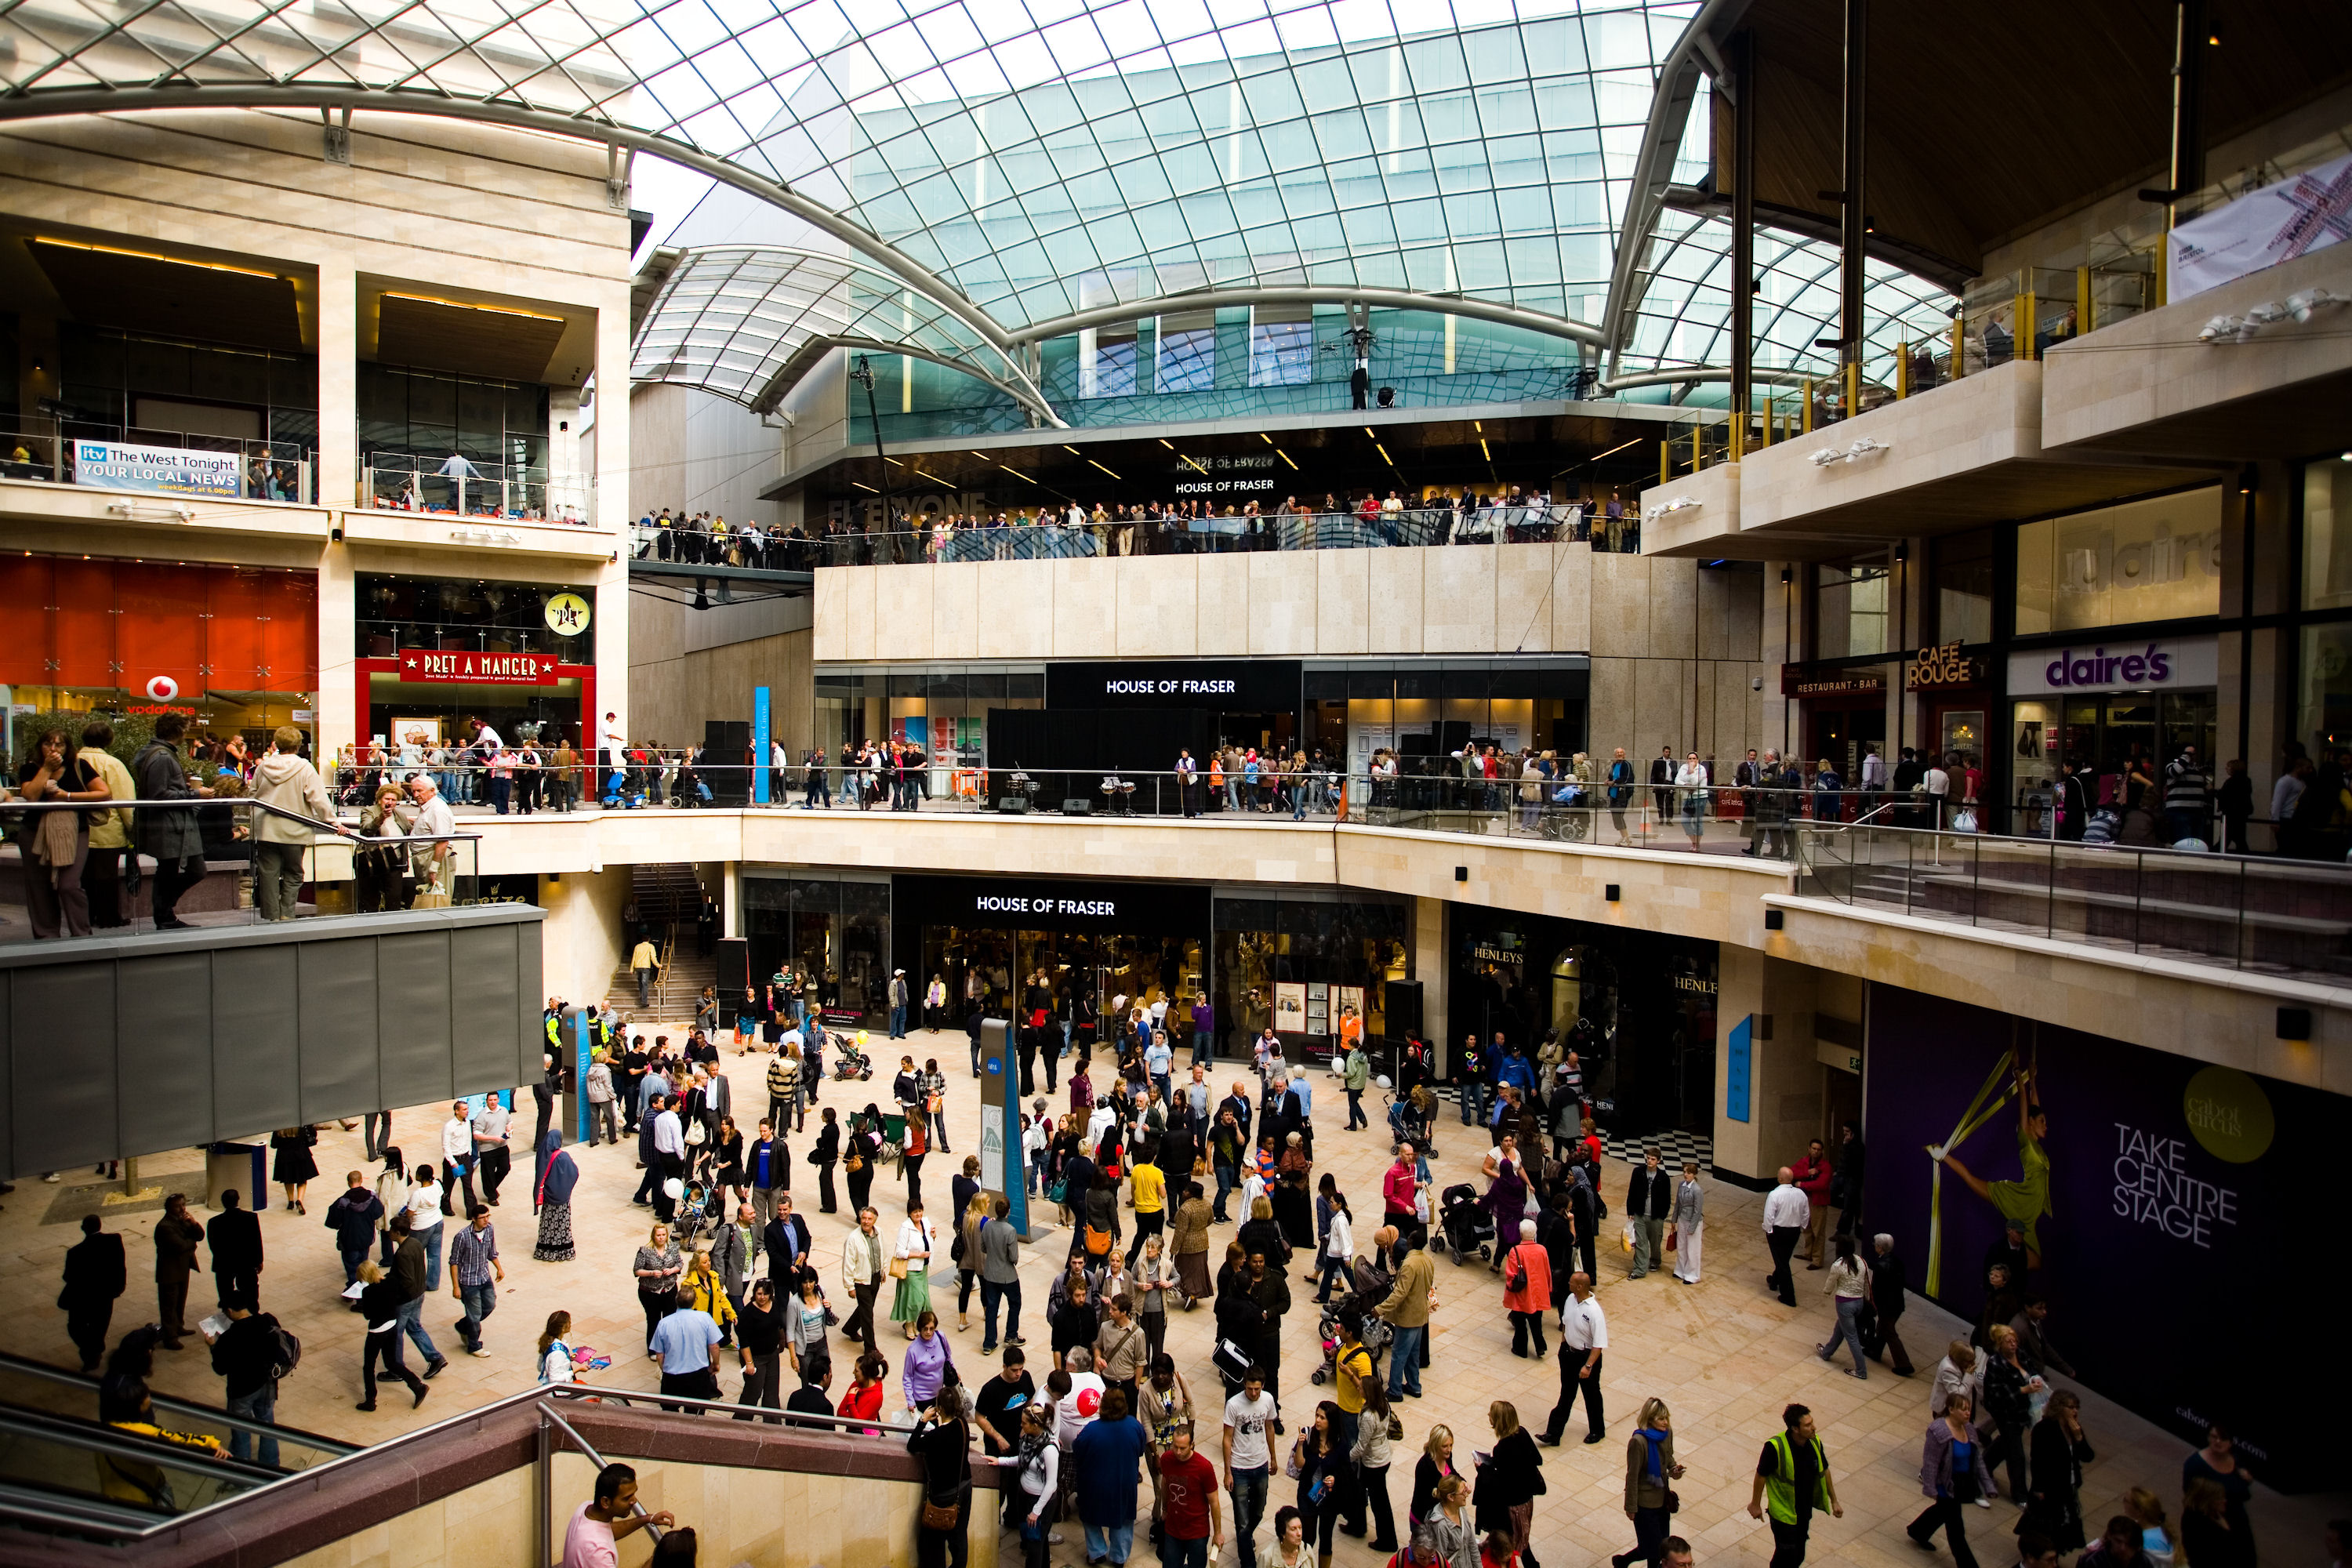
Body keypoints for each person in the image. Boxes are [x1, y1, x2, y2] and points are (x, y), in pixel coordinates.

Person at [1749, 1403, 1840, 1568]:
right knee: (1786, 1554)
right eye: (1807, 1425)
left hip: (1803, 1511)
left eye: (1812, 1422)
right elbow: (1761, 1475)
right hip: (1783, 1513)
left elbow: (1824, 1470)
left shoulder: (1814, 1443)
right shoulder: (1775, 1447)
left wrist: (1834, 1500)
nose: (1814, 1427)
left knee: (1798, 1555)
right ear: (1795, 1429)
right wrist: (1755, 1504)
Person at [1075, 1385, 1153, 1568]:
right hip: (1124, 1482)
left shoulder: (1091, 1430)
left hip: (1095, 1485)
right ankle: (1119, 1558)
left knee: (1091, 1517)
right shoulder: (1135, 1426)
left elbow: (1078, 1452)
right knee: (1123, 1519)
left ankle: (1096, 1553)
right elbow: (1141, 1450)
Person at [205, 1294, 285, 1466]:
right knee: (268, 1427)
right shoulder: (267, 1320)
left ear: (230, 1311)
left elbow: (220, 1368)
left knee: (241, 1431)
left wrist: (213, 1345)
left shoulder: (230, 1337)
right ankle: (271, 1467)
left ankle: (242, 1473)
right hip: (267, 1384)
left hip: (242, 1389)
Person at [1909, 1393, 1987, 1568]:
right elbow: (1930, 1461)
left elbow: (1975, 1458)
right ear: (1951, 1409)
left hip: (1959, 1483)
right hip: (1946, 1485)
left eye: (1969, 1409)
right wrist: (1930, 1487)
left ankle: (1918, 1531)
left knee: (1941, 1512)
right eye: (1963, 1409)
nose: (1968, 1413)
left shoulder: (1967, 1430)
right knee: (1956, 1529)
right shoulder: (1939, 1430)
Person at [908, 1381, 975, 1568]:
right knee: (960, 1536)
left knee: (931, 1541)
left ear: (939, 1409)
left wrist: (923, 1421)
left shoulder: (935, 1437)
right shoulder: (962, 1425)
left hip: (943, 1496)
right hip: (964, 1486)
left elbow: (912, 1446)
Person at [1610, 1398, 1685, 1568]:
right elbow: (1632, 1476)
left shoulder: (1667, 1433)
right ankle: (1622, 1561)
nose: (1666, 1422)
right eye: (1661, 1419)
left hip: (1662, 1501)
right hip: (1645, 1505)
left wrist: (1674, 1470)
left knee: (1659, 1548)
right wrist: (1630, 1507)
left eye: (1667, 1418)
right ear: (1650, 1419)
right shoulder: (1638, 1442)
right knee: (1653, 1551)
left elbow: (1669, 1456)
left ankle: (1622, 1561)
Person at [1472, 1402, 1545, 1568]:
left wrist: (1482, 1468)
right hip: (1527, 1500)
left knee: (1518, 1542)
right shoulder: (1522, 1432)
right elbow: (1536, 1459)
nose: (1489, 1416)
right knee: (1521, 1538)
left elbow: (1500, 1483)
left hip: (1514, 1505)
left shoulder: (1503, 1448)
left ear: (1499, 1420)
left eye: (1491, 1414)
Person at [560, 1462, 673, 1568]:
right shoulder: (597, 1554)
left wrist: (648, 1518)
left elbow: (607, 1531)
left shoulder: (586, 1509)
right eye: (627, 1498)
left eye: (634, 1494)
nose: (634, 1501)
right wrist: (658, 1558)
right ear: (605, 1502)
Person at [1537, 1272, 1605, 1446]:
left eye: (1572, 1282)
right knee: (1567, 1393)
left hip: (1586, 1356)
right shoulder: (1570, 1300)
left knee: (1591, 1395)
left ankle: (1597, 1430)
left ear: (1580, 1287)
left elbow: (1598, 1344)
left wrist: (1588, 1366)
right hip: (1568, 1353)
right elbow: (1566, 1323)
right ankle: (1553, 1433)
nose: (1568, 1283)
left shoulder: (1594, 1311)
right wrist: (1563, 1345)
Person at [2020, 1392, 2093, 1551]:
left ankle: (2051, 1555)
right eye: (2071, 1407)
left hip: (2068, 1486)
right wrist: (2039, 1487)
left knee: (2062, 1526)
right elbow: (2037, 1460)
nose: (2075, 1411)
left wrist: (2079, 1437)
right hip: (2049, 1487)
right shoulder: (2044, 1428)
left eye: (2077, 1407)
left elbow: (2088, 1456)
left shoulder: (2074, 1429)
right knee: (2046, 1526)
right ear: (2059, 1407)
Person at [1224, 1365, 1279, 1568]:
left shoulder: (1268, 1400)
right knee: (1243, 1521)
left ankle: (1244, 1538)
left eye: (1257, 1389)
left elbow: (1270, 1427)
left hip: (1260, 1465)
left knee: (1258, 1511)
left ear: (1262, 1386)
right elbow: (1227, 1439)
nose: (1253, 1393)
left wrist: (1273, 1457)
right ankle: (1248, 1561)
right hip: (1239, 1468)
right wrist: (1227, 1471)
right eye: (1249, 1389)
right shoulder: (1233, 1404)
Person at [354, 1262, 428, 1412]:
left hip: (377, 1331)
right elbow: (402, 1296)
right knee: (391, 1362)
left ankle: (370, 1400)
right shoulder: (392, 1282)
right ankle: (417, 1385)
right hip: (392, 1325)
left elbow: (368, 1315)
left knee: (369, 1366)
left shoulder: (368, 1291)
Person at [59, 1214, 127, 1373]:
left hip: (83, 1298)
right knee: (99, 1326)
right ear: (100, 1225)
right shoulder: (114, 1240)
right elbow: (120, 1266)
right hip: (105, 1295)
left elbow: (68, 1276)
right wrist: (119, 1287)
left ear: (83, 1229)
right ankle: (94, 1352)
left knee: (76, 1326)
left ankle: (92, 1354)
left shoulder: (75, 1253)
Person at [1374, 1228, 1434, 1400]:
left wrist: (1379, 1309)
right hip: (1421, 1314)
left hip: (1408, 1317)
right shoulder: (1428, 1260)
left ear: (1412, 1242)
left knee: (1399, 1354)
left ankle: (1394, 1390)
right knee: (1413, 1355)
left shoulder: (1409, 1264)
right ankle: (1414, 1386)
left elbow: (1399, 1293)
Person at [2180, 1425, 2256, 1557]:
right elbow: (2191, 1496)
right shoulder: (2194, 1464)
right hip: (2209, 1520)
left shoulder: (2236, 1460)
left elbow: (2242, 1492)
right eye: (2214, 1437)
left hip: (2237, 1519)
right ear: (2208, 1438)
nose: (2218, 1441)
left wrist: (2248, 1480)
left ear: (2231, 1442)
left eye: (2223, 1438)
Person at [1161, 1422, 1225, 1568]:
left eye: (1182, 1448)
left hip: (1197, 1531)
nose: (1178, 1452)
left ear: (1192, 1445)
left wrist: (1218, 1533)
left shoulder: (1204, 1467)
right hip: (1173, 1528)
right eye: (1175, 1447)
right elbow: (1165, 1484)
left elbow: (1214, 1502)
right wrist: (1164, 1509)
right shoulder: (1166, 1459)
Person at [649, 1289, 723, 1406]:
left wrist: (664, 1370)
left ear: (676, 1301)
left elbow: (660, 1355)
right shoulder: (705, 1318)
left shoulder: (664, 1323)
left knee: (670, 1413)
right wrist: (716, 1364)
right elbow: (714, 1346)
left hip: (672, 1377)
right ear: (694, 1301)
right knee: (695, 1414)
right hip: (697, 1376)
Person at [153, 1192, 205, 1349]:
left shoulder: (183, 1220)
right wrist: (192, 1243)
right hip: (170, 1272)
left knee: (180, 1301)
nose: (182, 1208)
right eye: (178, 1206)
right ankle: (170, 1337)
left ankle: (178, 1326)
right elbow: (181, 1245)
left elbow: (200, 1235)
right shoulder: (165, 1226)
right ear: (169, 1208)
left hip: (182, 1268)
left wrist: (194, 1223)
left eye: (184, 1204)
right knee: (169, 1305)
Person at [449, 1203, 502, 1358]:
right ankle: (474, 1345)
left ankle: (462, 1326)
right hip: (468, 1281)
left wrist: (499, 1268)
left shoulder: (490, 1229)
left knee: (489, 1305)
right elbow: (454, 1262)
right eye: (482, 1218)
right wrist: (456, 1287)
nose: (486, 1220)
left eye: (488, 1216)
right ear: (473, 1219)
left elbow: (491, 1252)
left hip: (484, 1277)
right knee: (474, 1315)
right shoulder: (462, 1236)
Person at [1814, 1233, 1869, 1378]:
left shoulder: (1838, 1265)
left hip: (1845, 1304)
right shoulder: (1861, 1261)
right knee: (1840, 1328)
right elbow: (1866, 1283)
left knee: (1852, 1337)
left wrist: (1826, 1291)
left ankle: (1861, 1371)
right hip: (1859, 1303)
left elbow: (1829, 1287)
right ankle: (1826, 1352)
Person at [1500, 1219, 1551, 1358]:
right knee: (1537, 1322)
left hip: (1522, 1292)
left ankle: (1520, 1349)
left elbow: (1511, 1274)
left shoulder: (1515, 1251)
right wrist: (1548, 1287)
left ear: (1521, 1234)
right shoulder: (1542, 1250)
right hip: (1538, 1291)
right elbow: (1547, 1271)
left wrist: (1510, 1288)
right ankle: (1540, 1347)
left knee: (1521, 1323)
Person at [206, 1188, 263, 1309]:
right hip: (246, 1263)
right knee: (250, 1292)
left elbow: (213, 1246)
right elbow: (256, 1241)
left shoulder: (214, 1222)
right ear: (238, 1199)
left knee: (225, 1292)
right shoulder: (251, 1218)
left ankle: (228, 1312)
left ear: (223, 1202)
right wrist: (259, 1261)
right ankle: (252, 1313)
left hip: (224, 1264)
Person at [842, 1207, 888, 1349]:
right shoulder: (853, 1238)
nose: (866, 1222)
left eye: (869, 1219)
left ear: (874, 1220)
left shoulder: (879, 1232)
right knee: (868, 1316)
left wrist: (883, 1270)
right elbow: (848, 1263)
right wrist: (850, 1286)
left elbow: (883, 1251)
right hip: (861, 1281)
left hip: (875, 1278)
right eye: (864, 1218)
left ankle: (850, 1328)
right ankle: (870, 1348)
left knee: (865, 1308)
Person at [1761, 1167, 1808, 1306]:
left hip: (1779, 1231)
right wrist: (1802, 1226)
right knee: (1783, 1258)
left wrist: (1768, 1229)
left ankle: (1789, 1297)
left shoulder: (1775, 1194)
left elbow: (1769, 1215)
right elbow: (1806, 1213)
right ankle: (1775, 1281)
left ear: (1780, 1179)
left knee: (1782, 1262)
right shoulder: (1801, 1194)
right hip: (1794, 1231)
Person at [1624, 1149, 1671, 1279]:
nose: (1650, 1161)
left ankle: (1655, 1260)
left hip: (1656, 1215)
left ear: (1658, 1161)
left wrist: (1663, 1215)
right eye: (1648, 1158)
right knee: (1641, 1242)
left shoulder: (1663, 1177)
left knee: (1655, 1241)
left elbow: (1667, 1199)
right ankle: (1639, 1269)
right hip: (1640, 1213)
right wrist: (1630, 1210)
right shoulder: (1638, 1172)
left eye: (1653, 1159)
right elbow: (1631, 1191)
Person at [535, 1129, 580, 1261]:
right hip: (562, 1198)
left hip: (548, 1197)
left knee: (548, 1223)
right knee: (561, 1225)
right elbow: (574, 1172)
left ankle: (545, 1251)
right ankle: (562, 1251)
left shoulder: (543, 1155)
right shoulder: (563, 1156)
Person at [1670, 1163, 1703, 1283]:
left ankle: (1692, 1274)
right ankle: (1680, 1270)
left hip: (1692, 1221)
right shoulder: (1681, 1185)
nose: (1685, 1175)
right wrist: (1674, 1219)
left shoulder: (1697, 1190)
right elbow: (1678, 1203)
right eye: (1684, 1172)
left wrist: (1692, 1227)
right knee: (1681, 1245)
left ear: (1694, 1175)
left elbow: (1697, 1210)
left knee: (1692, 1248)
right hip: (1682, 1219)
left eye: (1688, 1173)